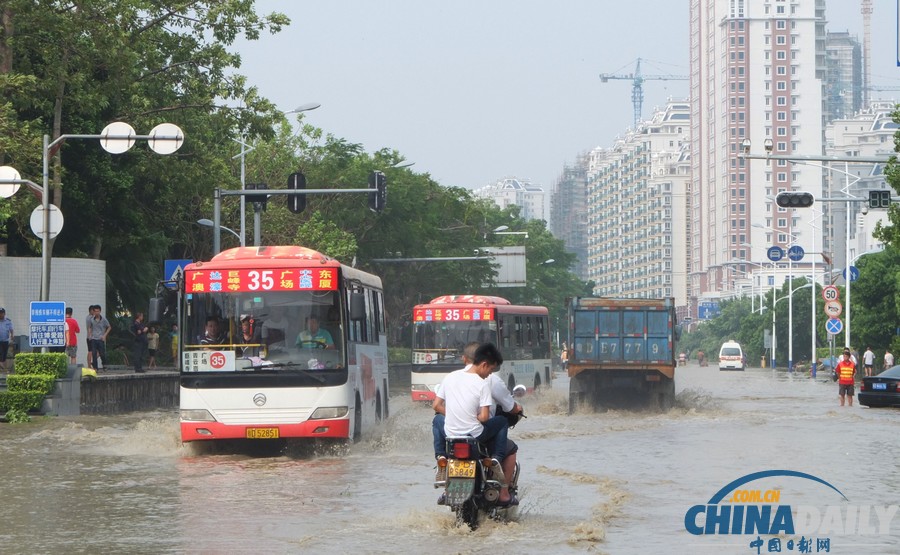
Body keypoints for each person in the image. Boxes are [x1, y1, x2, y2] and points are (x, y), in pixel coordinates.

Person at [432, 342, 513, 505]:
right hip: (474, 435)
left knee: (437, 420)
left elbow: (436, 406)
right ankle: (496, 459)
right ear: (484, 364)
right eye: (490, 370)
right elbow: (484, 417)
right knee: (502, 421)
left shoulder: (450, 377)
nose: (489, 375)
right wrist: (473, 417)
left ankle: (441, 457)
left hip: (451, 435)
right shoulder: (482, 384)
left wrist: (454, 415)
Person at [86, 305, 111, 371]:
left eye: (98, 311)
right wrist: (90, 335)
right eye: (95, 311)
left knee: (102, 353)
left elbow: (109, 327)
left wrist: (105, 335)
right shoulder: (91, 319)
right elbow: (89, 327)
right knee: (94, 353)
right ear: (94, 312)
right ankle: (95, 368)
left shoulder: (104, 319)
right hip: (93, 338)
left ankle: (104, 365)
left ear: (100, 311)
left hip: (100, 338)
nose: (97, 313)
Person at [0, 308, 13, 373]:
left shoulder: (8, 321)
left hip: (5, 340)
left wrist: (12, 335)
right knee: (1, 353)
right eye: (0, 313)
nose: (0, 314)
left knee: (4, 355)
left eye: (2, 313)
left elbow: (11, 329)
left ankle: (4, 369)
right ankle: (3, 369)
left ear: (4, 314)